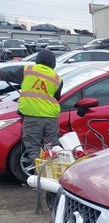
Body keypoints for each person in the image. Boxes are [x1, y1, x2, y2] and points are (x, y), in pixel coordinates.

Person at [0, 49, 63, 177]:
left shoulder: (28, 71)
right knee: (53, 147)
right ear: (53, 63)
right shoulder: (57, 78)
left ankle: (42, 178)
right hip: (51, 117)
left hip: (33, 116)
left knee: (33, 148)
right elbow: (56, 97)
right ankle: (56, 175)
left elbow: (8, 75)